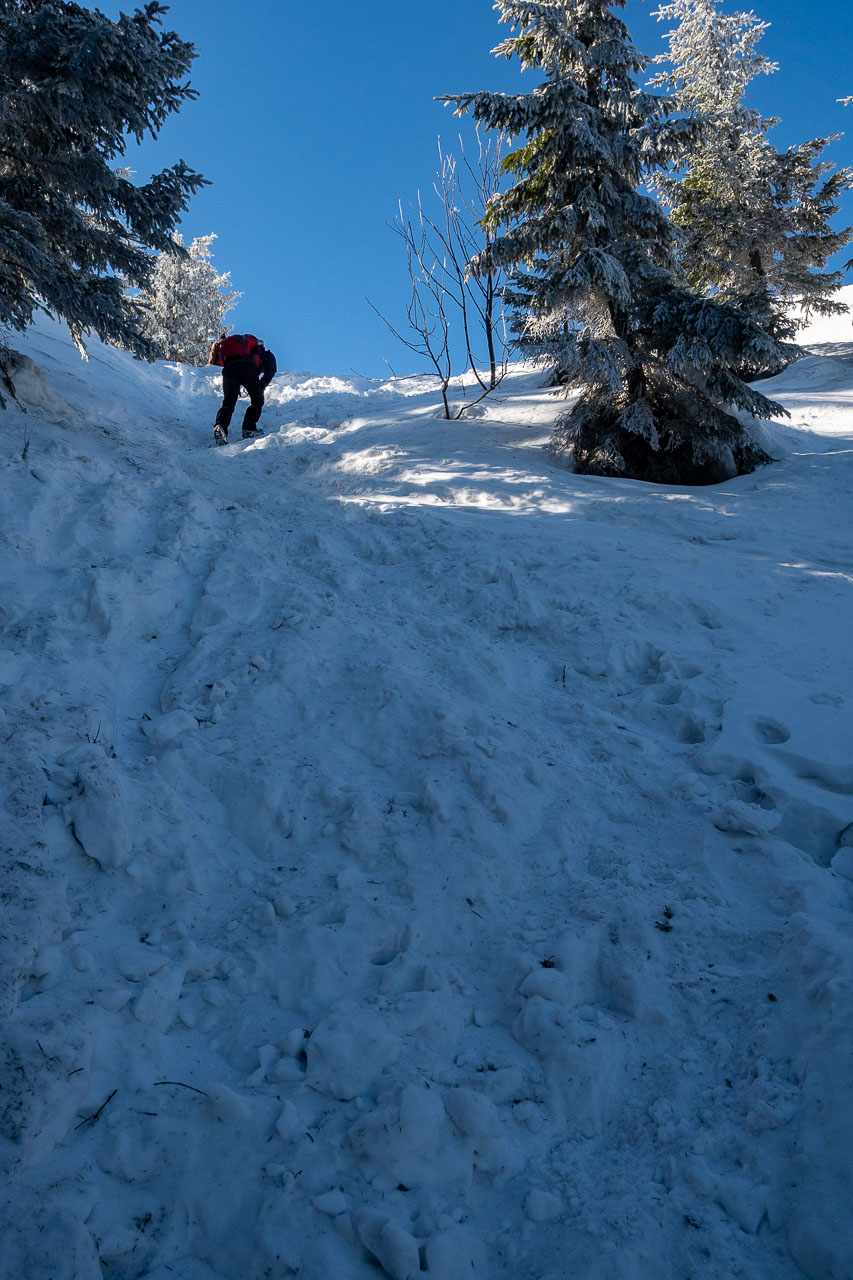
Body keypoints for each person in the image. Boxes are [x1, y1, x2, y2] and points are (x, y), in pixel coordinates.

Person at [208, 332, 277, 445]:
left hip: (229, 370)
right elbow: (271, 370)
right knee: (257, 401)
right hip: (248, 368)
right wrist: (261, 385)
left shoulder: (240, 349)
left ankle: (220, 426)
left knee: (228, 403)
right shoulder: (267, 354)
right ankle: (249, 428)